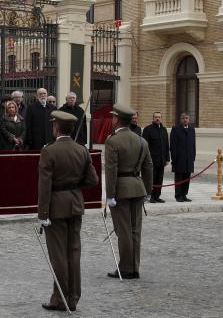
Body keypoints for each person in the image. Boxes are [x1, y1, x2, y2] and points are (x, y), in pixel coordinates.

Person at [37, 110, 99, 312]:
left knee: (59, 256)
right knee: (73, 252)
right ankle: (72, 297)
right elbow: (93, 180)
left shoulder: (49, 151)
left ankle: (60, 298)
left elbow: (44, 185)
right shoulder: (82, 150)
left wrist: (43, 214)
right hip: (75, 204)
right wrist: (73, 185)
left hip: (56, 206)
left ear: (56, 128)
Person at [104, 103, 153, 279]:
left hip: (121, 190)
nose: (112, 119)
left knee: (123, 231)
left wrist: (109, 195)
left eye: (113, 117)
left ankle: (126, 268)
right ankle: (134, 267)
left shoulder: (112, 141)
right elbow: (148, 167)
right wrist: (148, 190)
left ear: (117, 119)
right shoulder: (141, 140)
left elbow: (111, 170)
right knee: (135, 230)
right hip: (138, 187)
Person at [141, 112, 170, 203]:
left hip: (161, 160)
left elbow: (166, 145)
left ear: (161, 118)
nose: (157, 119)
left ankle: (157, 196)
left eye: (159, 117)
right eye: (156, 117)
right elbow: (144, 146)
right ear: (153, 118)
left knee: (159, 179)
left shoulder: (164, 130)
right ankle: (150, 196)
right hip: (151, 160)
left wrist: (167, 159)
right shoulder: (147, 130)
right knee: (151, 179)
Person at [170, 113, 196, 202]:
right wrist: (174, 158)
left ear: (189, 119)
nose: (185, 120)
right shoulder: (175, 129)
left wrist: (193, 156)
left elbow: (193, 144)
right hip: (179, 158)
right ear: (181, 119)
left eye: (187, 118)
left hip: (189, 158)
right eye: (183, 118)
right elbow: (173, 146)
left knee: (186, 178)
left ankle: (184, 194)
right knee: (179, 178)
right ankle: (178, 195)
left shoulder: (192, 130)